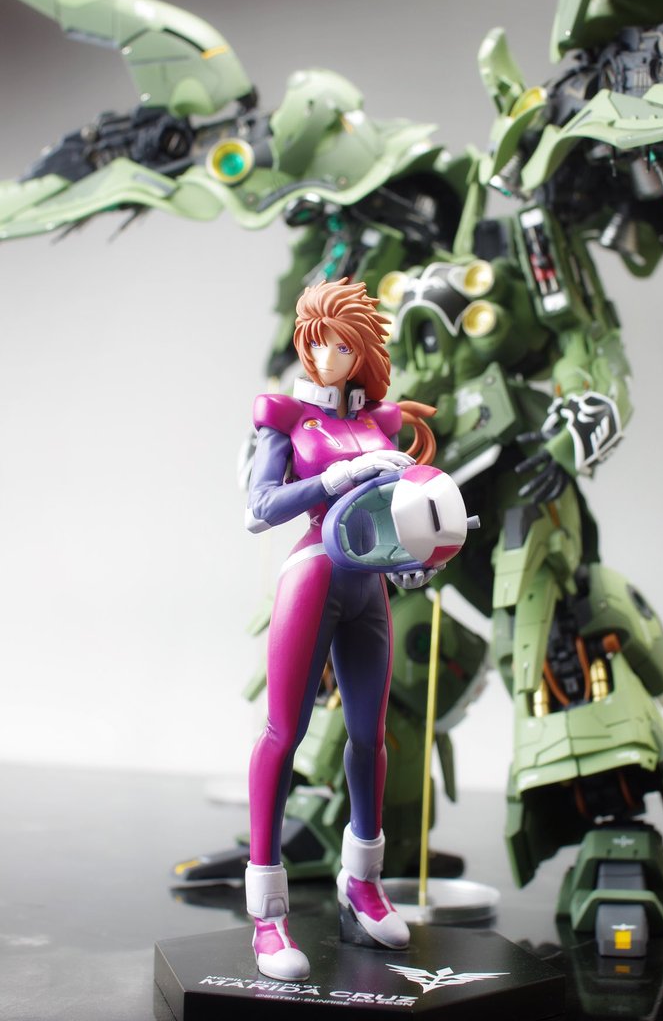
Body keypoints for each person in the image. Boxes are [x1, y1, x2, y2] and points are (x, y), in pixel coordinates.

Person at [244, 279, 435, 981]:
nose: (327, 356)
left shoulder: (382, 420)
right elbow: (259, 509)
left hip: (368, 585)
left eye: (343, 346)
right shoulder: (287, 416)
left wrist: (416, 552)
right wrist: (339, 477)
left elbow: (395, 514)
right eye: (317, 341)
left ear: (362, 353)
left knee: (369, 737)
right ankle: (268, 915)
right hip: (313, 576)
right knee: (284, 734)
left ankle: (363, 884)